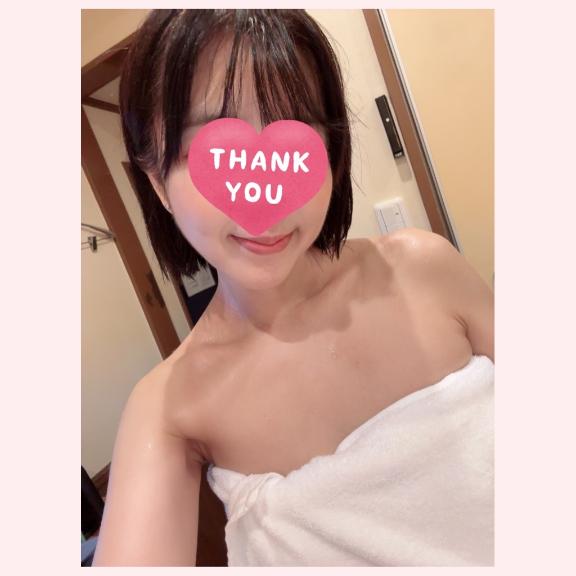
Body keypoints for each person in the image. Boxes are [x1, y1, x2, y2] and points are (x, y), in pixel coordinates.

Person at [92, 9, 494, 567]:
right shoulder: (170, 406)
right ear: (158, 182)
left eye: (293, 145)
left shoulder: (425, 267)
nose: (266, 196)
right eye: (219, 152)